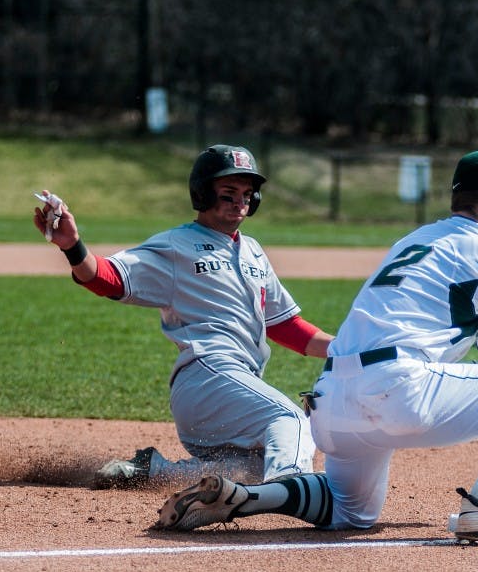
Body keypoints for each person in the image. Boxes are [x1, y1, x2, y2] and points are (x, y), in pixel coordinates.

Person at [152, 149, 478, 546]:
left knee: (350, 510)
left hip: (331, 401)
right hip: (401, 388)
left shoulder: (414, 240)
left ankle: (246, 497)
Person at [32, 145, 333, 488]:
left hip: (232, 392)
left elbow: (284, 325)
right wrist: (72, 245)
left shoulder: (253, 252)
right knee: (292, 420)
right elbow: (107, 279)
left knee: (252, 468)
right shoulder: (178, 244)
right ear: (203, 194)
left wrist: (345, 349)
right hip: (208, 377)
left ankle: (150, 471)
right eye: (229, 193)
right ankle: (293, 493)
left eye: (248, 194)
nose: (240, 202)